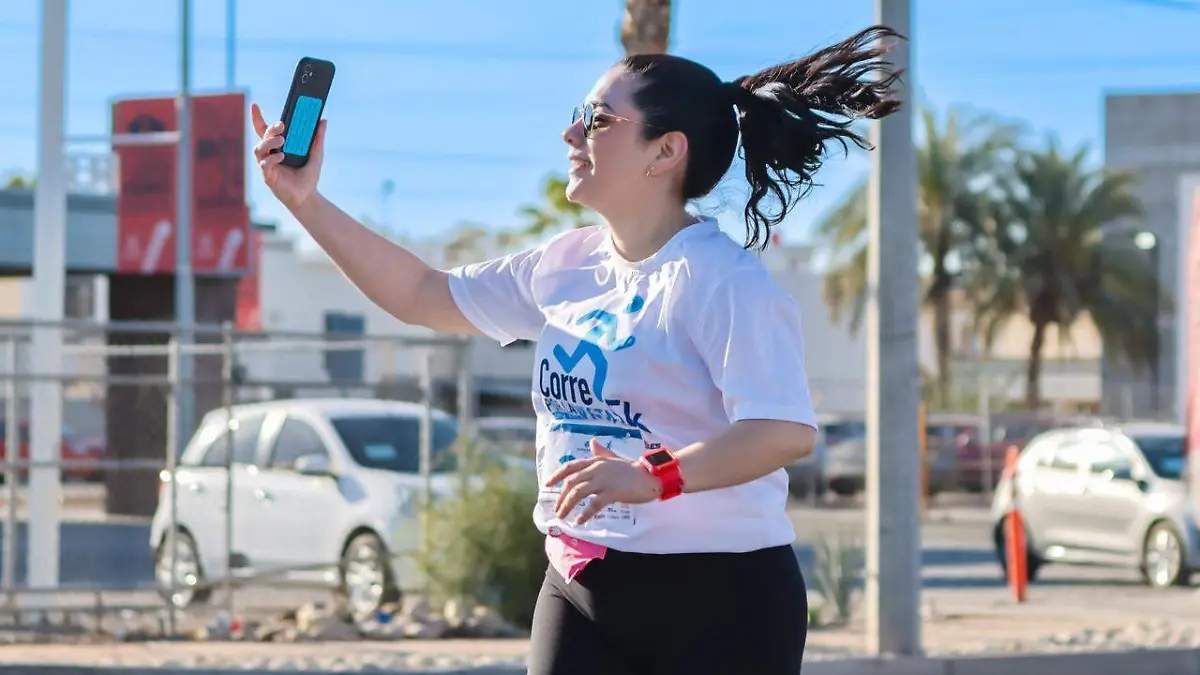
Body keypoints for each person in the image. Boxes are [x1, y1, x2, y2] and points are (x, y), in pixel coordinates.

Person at [251, 24, 903, 675]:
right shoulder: (564, 265)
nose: (571, 134)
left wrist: (654, 477)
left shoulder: (724, 281)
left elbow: (781, 430)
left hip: (722, 601)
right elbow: (424, 294)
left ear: (665, 151)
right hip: (581, 583)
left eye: (597, 120)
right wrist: (305, 203)